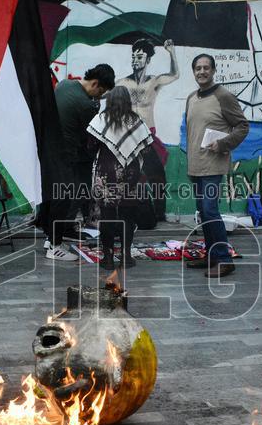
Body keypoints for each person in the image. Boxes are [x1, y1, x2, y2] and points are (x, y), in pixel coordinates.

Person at [184, 54, 249, 278]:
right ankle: (211, 256)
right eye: (197, 68)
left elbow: (242, 126)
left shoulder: (224, 96)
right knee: (203, 212)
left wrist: (222, 143)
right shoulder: (191, 97)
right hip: (196, 165)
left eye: (206, 68)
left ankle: (224, 259)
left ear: (213, 71)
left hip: (213, 165)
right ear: (193, 72)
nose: (201, 72)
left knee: (211, 210)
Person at [48, 63, 115, 262]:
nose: (98, 97)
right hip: (67, 156)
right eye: (100, 92)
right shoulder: (87, 105)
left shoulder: (64, 85)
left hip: (50, 152)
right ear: (95, 83)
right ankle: (54, 246)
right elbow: (92, 134)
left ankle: (51, 238)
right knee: (65, 199)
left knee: (54, 198)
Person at [86, 86, 153, 269]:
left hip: (105, 174)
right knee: (127, 217)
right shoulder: (136, 121)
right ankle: (126, 256)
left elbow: (90, 146)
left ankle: (107, 257)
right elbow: (146, 149)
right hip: (130, 175)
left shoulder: (100, 120)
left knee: (106, 216)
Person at [116, 38, 177, 225]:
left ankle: (159, 214)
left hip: (147, 135)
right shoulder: (123, 82)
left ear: (148, 60)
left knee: (157, 176)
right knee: (128, 177)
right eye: (133, 56)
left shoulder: (154, 82)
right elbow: (105, 94)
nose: (135, 60)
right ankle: (127, 213)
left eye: (140, 56)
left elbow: (174, 75)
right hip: (128, 137)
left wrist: (172, 52)